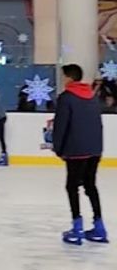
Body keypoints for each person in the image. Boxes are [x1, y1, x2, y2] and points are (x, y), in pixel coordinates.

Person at [53, 63, 108, 245]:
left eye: (63, 77)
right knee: (90, 185)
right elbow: (98, 124)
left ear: (69, 78)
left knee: (72, 186)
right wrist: (97, 148)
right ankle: (99, 227)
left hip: (76, 150)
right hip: (94, 149)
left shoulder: (66, 98)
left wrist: (58, 148)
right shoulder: (92, 96)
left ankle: (77, 228)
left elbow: (61, 125)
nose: (63, 80)